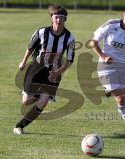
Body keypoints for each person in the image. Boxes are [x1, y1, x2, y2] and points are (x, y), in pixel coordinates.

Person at [13, 5, 75, 135]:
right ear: (51, 18)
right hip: (36, 69)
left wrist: (57, 72)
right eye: (56, 17)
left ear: (65, 20)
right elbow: (30, 48)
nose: (58, 20)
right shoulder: (41, 32)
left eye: (61, 18)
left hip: (54, 73)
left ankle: (20, 126)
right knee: (26, 101)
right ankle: (37, 94)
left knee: (44, 101)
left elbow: (69, 61)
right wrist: (23, 62)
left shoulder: (69, 38)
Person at [92, 5, 125, 132]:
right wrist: (103, 56)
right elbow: (94, 42)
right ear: (124, 14)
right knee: (120, 98)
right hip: (106, 66)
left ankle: (113, 89)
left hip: (123, 67)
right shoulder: (111, 24)